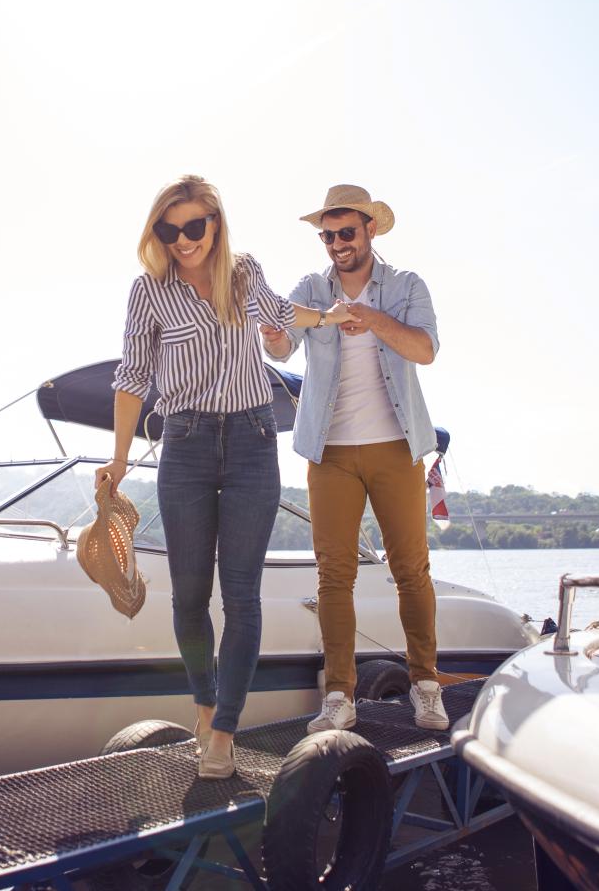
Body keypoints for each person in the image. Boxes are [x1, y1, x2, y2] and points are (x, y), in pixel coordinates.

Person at [99, 174, 350, 779]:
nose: (183, 240)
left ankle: (225, 732)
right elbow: (133, 376)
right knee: (188, 596)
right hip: (183, 443)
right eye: (170, 229)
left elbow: (283, 317)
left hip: (251, 441)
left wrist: (328, 317)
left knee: (240, 596)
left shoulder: (243, 273)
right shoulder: (148, 291)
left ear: (215, 222)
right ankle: (206, 709)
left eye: (193, 227)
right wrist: (120, 456)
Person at [260, 184, 449, 732]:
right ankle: (338, 697)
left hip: (396, 447)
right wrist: (275, 336)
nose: (337, 243)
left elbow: (426, 349)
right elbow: (281, 345)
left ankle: (427, 686)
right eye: (328, 235)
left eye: (347, 232)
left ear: (370, 230)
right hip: (330, 452)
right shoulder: (310, 289)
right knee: (333, 575)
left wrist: (370, 319)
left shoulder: (407, 286)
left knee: (411, 570)